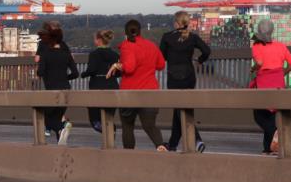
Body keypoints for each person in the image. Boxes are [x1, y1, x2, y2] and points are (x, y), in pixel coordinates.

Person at [109, 19, 167, 151]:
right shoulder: (151, 45)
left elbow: (129, 68)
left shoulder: (127, 45)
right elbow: (161, 65)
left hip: (129, 93)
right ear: (140, 31)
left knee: (128, 126)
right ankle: (160, 145)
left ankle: (129, 155)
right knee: (150, 125)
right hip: (150, 91)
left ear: (125, 32)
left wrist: (118, 65)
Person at [160, 11, 212, 153]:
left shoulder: (167, 37)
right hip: (189, 76)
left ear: (177, 23)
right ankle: (172, 144)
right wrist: (200, 60)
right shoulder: (193, 37)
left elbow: (161, 57)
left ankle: (197, 140)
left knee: (179, 109)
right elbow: (207, 51)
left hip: (173, 77)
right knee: (181, 110)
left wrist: (171, 57)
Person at [251, 19, 291, 155]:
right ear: (272, 31)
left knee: (259, 115)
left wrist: (253, 69)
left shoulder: (257, 46)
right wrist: (283, 73)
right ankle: (268, 148)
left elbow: (259, 62)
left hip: (264, 82)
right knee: (271, 115)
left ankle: (275, 132)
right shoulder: (281, 46)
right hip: (278, 82)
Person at [35, 23, 79, 144]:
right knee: (57, 117)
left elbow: (40, 72)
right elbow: (76, 73)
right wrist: (65, 77)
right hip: (65, 89)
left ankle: (63, 126)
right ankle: (60, 139)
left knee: (47, 118)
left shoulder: (46, 53)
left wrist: (45, 72)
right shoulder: (66, 54)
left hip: (52, 90)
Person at [80, 30, 120, 133]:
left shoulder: (94, 54)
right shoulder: (115, 54)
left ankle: (107, 131)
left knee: (94, 119)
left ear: (99, 40)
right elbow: (119, 73)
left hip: (97, 85)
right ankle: (111, 132)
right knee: (109, 117)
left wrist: (83, 74)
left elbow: (91, 70)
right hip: (112, 85)